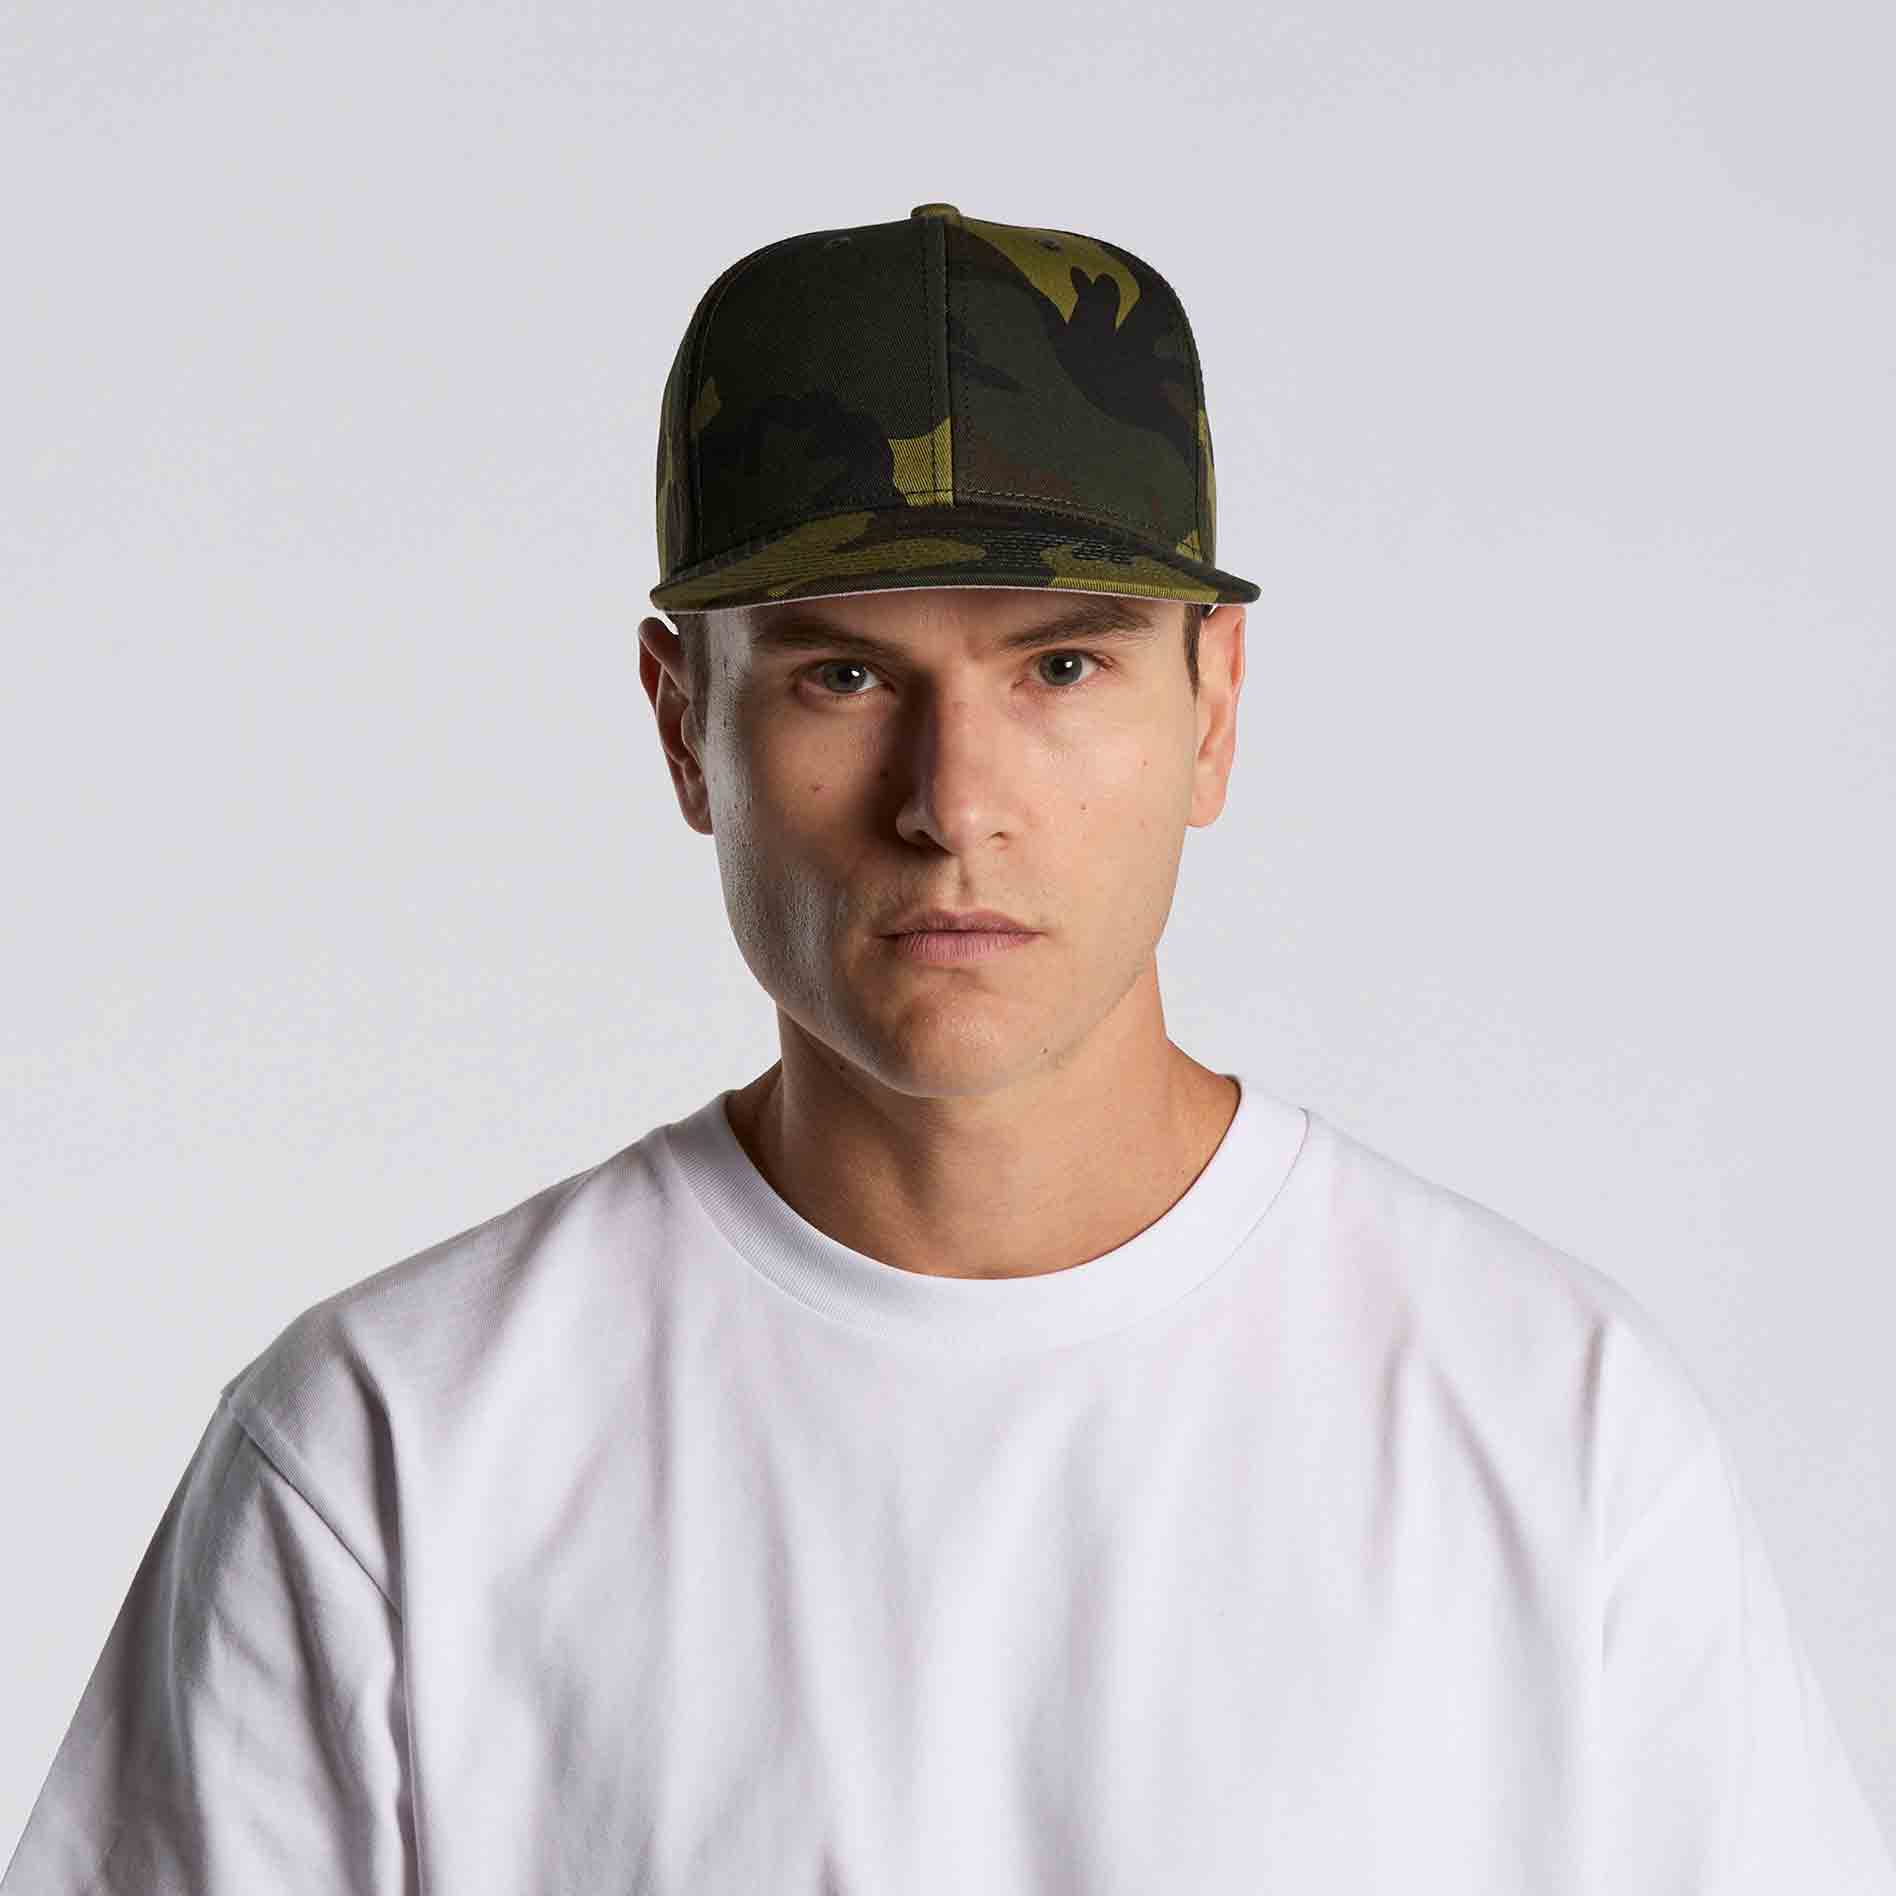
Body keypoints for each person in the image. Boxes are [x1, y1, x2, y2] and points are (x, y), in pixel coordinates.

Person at [6, 202, 1893, 1894]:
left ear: (1211, 707)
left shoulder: (1550, 1429)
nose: (952, 800)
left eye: (1059, 666)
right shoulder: (392, 1448)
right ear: (686, 726)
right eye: (844, 674)